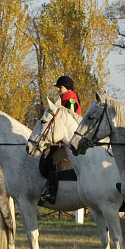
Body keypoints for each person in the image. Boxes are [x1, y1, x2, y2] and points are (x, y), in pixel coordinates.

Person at [40, 75, 82, 203]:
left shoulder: (70, 100)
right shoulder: (65, 99)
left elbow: (68, 120)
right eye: (58, 87)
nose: (58, 89)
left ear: (67, 88)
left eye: (60, 87)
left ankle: (52, 193)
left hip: (69, 140)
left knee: (52, 161)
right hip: (64, 139)